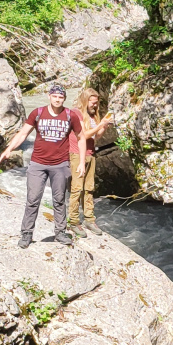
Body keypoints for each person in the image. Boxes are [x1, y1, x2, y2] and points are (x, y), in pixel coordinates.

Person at [0, 82, 87, 248]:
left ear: (64, 99)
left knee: (59, 199)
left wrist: (81, 162)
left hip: (60, 165)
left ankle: (60, 232)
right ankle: (26, 234)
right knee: (32, 199)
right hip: (37, 164)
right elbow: (23, 133)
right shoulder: (38, 113)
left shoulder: (70, 116)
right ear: (49, 96)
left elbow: (81, 138)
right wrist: (9, 149)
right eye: (54, 96)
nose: (57, 100)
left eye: (61, 97)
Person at [69, 86, 114, 235]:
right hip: (76, 154)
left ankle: (89, 219)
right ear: (85, 100)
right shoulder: (77, 113)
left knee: (89, 188)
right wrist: (100, 125)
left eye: (96, 103)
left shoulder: (94, 115)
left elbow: (96, 137)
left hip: (90, 153)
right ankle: (74, 221)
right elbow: (85, 135)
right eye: (92, 102)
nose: (95, 105)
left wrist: (104, 125)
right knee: (77, 188)